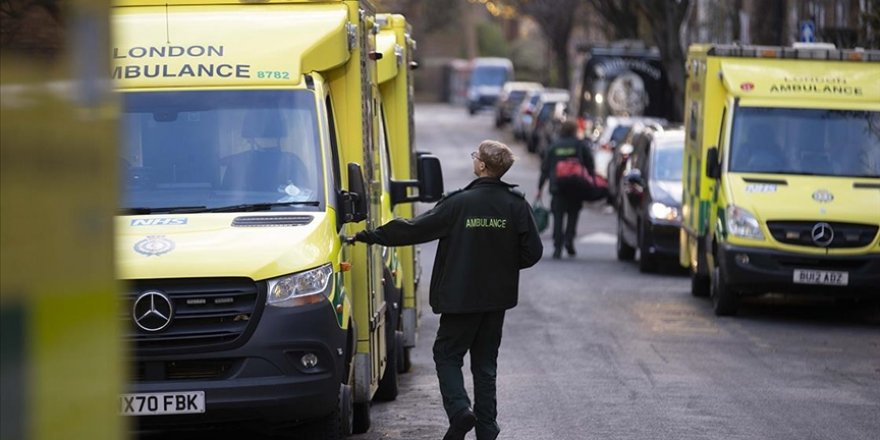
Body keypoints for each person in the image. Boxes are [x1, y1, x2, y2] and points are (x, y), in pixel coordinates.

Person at [352, 140, 543, 440]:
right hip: (496, 301)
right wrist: (500, 266)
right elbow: (532, 251)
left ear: (481, 165)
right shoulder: (516, 205)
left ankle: (459, 410)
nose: (474, 160)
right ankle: (487, 428)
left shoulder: (458, 204)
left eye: (475, 156)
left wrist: (370, 235)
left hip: (459, 298)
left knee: (447, 354)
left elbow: (414, 228)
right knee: (485, 363)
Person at [537, 119, 596, 259]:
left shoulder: (554, 146)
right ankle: (569, 240)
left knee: (558, 216)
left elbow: (545, 168)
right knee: (573, 215)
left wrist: (540, 187)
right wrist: (592, 179)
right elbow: (590, 163)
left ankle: (557, 247)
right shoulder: (580, 145)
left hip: (558, 187)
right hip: (576, 187)